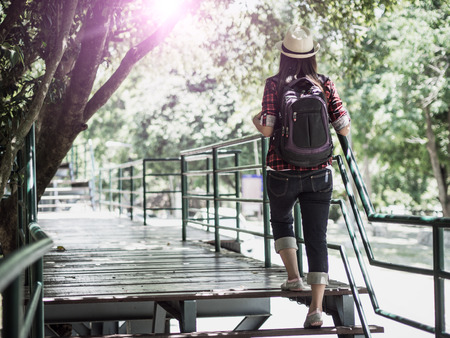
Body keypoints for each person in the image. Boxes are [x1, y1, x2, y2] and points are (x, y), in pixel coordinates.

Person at [252, 24, 351, 329]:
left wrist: (255, 119)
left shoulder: (274, 84)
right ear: (312, 55)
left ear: (284, 55)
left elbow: (268, 128)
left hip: (281, 170)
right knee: (317, 238)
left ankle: (294, 278)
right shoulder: (324, 84)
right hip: (319, 172)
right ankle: (316, 309)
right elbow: (343, 126)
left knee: (282, 221)